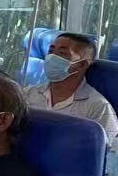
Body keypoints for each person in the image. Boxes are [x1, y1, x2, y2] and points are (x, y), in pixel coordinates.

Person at [24, 31, 118, 162]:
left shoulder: (99, 107)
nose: (51, 58)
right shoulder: (26, 95)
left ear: (82, 64)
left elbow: (103, 158)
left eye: (62, 53)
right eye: (51, 51)